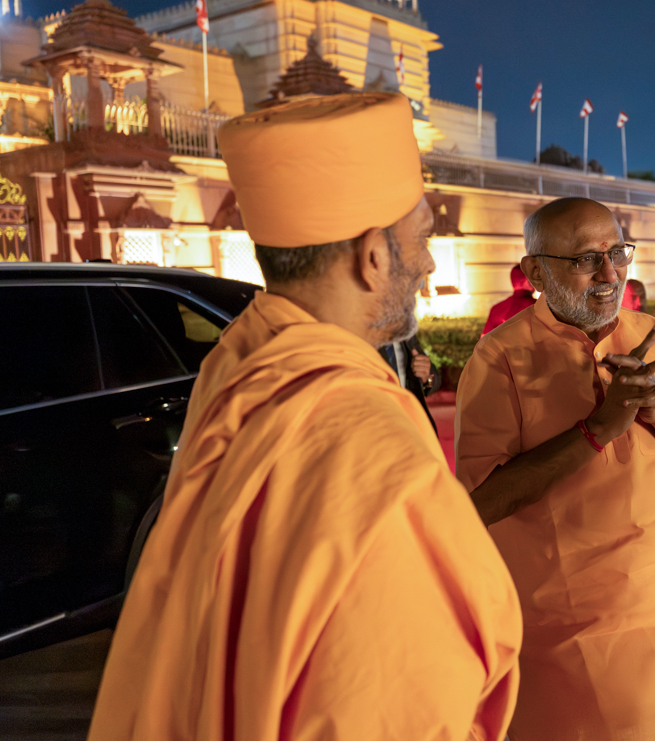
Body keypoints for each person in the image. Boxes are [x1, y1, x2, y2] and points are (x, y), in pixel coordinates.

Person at [88, 94, 522, 741]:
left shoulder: (238, 360)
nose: (431, 262)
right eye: (424, 237)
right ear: (373, 257)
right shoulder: (366, 439)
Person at [455, 197, 655, 741]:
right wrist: (599, 428)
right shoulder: (501, 357)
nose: (611, 274)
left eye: (617, 252)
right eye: (587, 259)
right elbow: (480, 503)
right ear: (536, 271)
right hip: (572, 640)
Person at [380, 336, 441, 431]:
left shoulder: (404, 330)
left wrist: (427, 377)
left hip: (412, 422)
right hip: (380, 423)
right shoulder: (359, 333)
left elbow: (433, 380)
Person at [483, 263, 537, 334]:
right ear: (527, 281)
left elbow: (484, 339)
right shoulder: (538, 307)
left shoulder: (496, 309)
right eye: (533, 278)